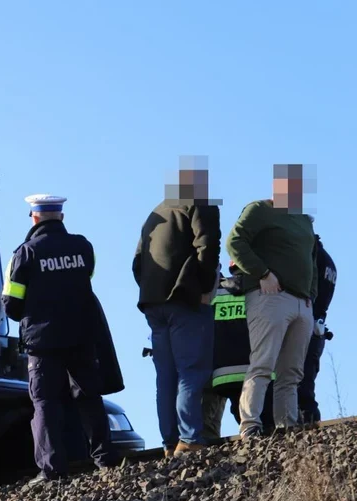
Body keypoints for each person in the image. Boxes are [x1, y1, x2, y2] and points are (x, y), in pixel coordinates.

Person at [2, 194, 116, 481]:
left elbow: (11, 305)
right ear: (61, 217)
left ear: (34, 218)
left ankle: (52, 469)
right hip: (81, 336)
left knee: (45, 403)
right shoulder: (83, 246)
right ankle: (105, 459)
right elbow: (87, 279)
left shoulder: (24, 254)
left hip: (43, 343)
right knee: (90, 396)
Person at [132, 163, 221, 456]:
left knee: (166, 375)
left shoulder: (155, 212)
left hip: (153, 303)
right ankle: (191, 439)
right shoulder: (200, 203)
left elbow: (137, 262)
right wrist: (205, 288)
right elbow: (208, 246)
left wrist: (151, 292)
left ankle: (170, 442)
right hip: (185, 300)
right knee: (191, 371)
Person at [226, 164, 317, 437]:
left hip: (302, 303)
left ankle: (287, 427)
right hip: (270, 298)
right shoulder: (260, 209)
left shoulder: (303, 220)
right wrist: (263, 273)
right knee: (263, 364)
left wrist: (311, 295)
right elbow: (235, 241)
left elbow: (311, 257)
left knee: (291, 372)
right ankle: (250, 426)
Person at [202, 265, 275, 439]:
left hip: (223, 377)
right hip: (257, 374)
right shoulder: (265, 290)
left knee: (235, 411)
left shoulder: (216, 291)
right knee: (266, 425)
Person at [298, 234, 336, 423]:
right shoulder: (328, 261)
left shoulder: (311, 255)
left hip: (305, 324)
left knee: (298, 384)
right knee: (306, 384)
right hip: (317, 327)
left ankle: (305, 424)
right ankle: (309, 423)